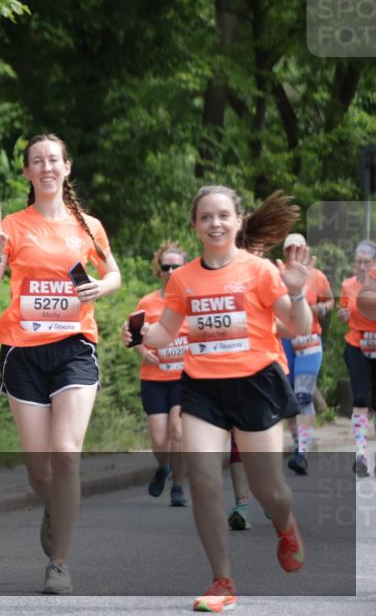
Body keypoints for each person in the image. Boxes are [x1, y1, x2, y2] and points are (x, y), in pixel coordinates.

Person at [122, 187, 310, 613]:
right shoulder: (183, 279)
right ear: (195, 225)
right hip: (202, 387)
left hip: (256, 384)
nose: (215, 223)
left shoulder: (260, 270)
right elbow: (166, 332)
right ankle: (221, 580)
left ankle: (285, 524)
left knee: (269, 490)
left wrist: (297, 293)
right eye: (206, 217)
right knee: (205, 480)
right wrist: (140, 335)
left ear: (238, 220)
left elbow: (298, 326)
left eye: (223, 215)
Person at [0, 133, 121, 594]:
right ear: (27, 172)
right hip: (23, 352)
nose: (46, 167)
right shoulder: (12, 227)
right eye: (36, 161)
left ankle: (59, 563)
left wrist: (101, 287)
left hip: (75, 347)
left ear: (67, 167)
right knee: (41, 472)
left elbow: (113, 273)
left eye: (53, 160)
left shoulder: (88, 226)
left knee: (65, 454)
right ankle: (54, 505)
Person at [131, 242, 188, 506]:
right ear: (159, 270)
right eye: (166, 267)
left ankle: (178, 487)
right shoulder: (147, 302)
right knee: (158, 437)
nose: (171, 271)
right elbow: (133, 335)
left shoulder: (192, 301)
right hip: (154, 379)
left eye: (176, 266)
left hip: (183, 379)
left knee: (178, 431)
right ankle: (164, 467)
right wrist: (143, 352)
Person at [277, 234, 333, 475]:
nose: (294, 253)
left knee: (303, 395)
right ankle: (298, 442)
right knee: (290, 398)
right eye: (289, 249)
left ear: (305, 250)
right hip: (285, 341)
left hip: (309, 340)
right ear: (284, 253)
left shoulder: (316, 275)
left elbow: (329, 301)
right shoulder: (277, 275)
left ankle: (302, 452)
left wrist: (320, 308)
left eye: (298, 248)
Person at [337, 240, 376, 477]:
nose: (361, 266)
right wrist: (343, 315)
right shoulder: (347, 285)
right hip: (356, 343)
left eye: (366, 262)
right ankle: (361, 453)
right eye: (358, 262)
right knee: (360, 398)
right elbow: (344, 311)